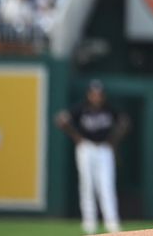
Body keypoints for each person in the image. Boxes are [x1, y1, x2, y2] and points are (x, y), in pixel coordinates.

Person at [55, 80, 130, 234]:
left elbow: (125, 121)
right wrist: (76, 136)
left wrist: (113, 141)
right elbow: (60, 119)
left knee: (106, 186)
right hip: (86, 147)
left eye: (99, 94)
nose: (96, 97)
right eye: (94, 94)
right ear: (89, 95)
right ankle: (89, 223)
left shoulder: (109, 109)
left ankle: (112, 222)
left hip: (103, 148)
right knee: (87, 185)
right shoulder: (81, 109)